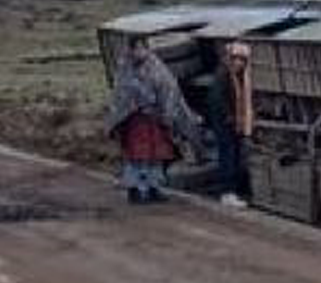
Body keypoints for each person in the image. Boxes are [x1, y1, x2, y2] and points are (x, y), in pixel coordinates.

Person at [107, 36, 204, 204]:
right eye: (136, 48)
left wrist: (167, 112)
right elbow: (121, 95)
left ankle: (153, 188)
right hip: (135, 120)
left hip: (155, 119)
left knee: (156, 155)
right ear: (130, 50)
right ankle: (135, 189)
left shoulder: (157, 66)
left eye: (142, 48)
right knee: (137, 156)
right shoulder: (125, 68)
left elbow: (168, 88)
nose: (139, 52)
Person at [208, 41, 254, 208]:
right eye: (236, 58)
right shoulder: (223, 75)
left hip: (235, 123)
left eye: (242, 60)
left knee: (234, 155)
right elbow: (217, 99)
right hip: (225, 123)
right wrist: (228, 116)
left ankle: (232, 190)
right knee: (228, 155)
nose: (238, 63)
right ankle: (227, 192)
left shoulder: (242, 77)